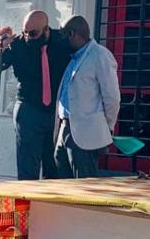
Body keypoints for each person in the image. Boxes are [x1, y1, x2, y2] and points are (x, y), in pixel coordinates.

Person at [0, 9, 70, 180]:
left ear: (46, 30)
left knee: (54, 167)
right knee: (28, 167)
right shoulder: (18, 44)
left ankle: (49, 206)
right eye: (25, 32)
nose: (28, 36)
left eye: (33, 33)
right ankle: (27, 206)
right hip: (28, 110)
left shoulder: (61, 41)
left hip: (55, 112)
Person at [54, 15, 121, 178]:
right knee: (62, 185)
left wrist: (107, 128)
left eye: (63, 34)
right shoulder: (74, 58)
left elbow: (112, 97)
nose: (60, 40)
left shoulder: (100, 55)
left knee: (83, 184)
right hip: (64, 128)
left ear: (72, 34)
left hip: (85, 133)